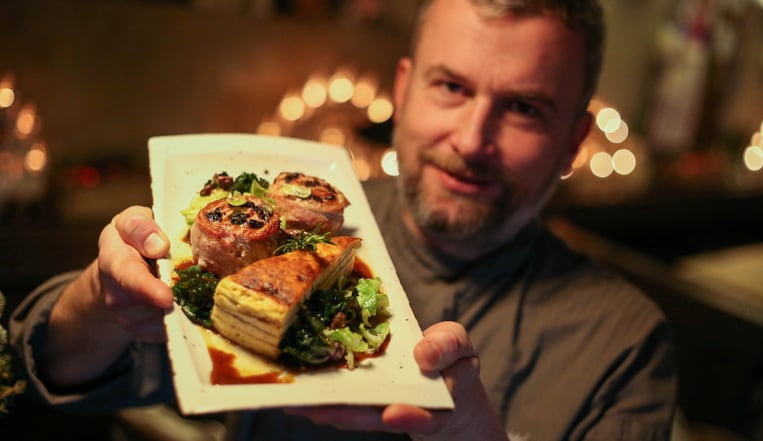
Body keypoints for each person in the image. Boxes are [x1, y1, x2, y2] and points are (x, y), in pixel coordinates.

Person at [11, 0, 677, 439]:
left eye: (526, 108)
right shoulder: (284, 231)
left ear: (574, 140)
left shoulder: (623, 346)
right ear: (401, 89)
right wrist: (98, 302)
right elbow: (49, 366)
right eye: (451, 86)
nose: (474, 139)